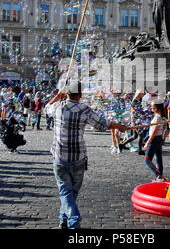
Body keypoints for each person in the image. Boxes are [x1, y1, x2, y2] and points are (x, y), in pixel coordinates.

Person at [46, 81, 128, 229]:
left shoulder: (57, 106)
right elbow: (102, 124)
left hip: (59, 156)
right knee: (71, 191)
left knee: (66, 191)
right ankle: (74, 221)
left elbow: (46, 108)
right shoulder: (84, 109)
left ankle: (63, 219)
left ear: (67, 93)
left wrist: (57, 97)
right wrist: (119, 126)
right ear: (80, 95)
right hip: (78, 157)